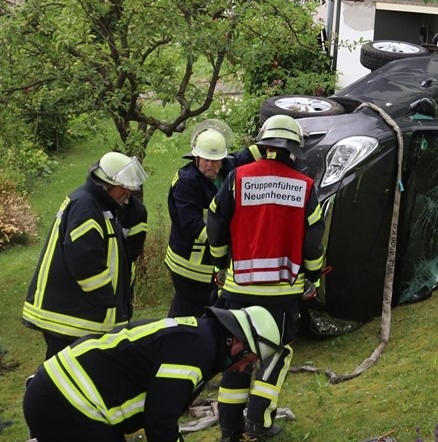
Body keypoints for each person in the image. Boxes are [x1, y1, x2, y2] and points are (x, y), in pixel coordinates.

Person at [207, 114, 326, 442]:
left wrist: (219, 265)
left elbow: (215, 223)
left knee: (237, 352)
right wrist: (313, 276)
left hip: (238, 288)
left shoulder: (237, 179)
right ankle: (258, 422)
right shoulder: (304, 187)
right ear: (293, 150)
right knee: (275, 352)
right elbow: (314, 240)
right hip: (281, 291)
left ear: (264, 145)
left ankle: (229, 430)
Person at [23, 305, 281, 442]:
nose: (244, 368)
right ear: (238, 341)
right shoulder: (196, 351)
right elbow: (159, 422)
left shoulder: (202, 338)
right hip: (64, 402)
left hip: (63, 396)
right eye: (249, 360)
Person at [22, 151, 149, 359]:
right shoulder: (86, 207)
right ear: (105, 183)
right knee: (64, 379)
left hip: (78, 314)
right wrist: (110, 304)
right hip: (70, 319)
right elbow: (85, 262)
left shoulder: (101, 205)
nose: (128, 191)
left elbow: (124, 252)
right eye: (123, 187)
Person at [165, 121, 261, 318]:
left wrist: (280, 136)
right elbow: (193, 226)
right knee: (189, 312)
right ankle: (176, 343)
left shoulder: (226, 167)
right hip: (189, 265)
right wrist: (229, 239)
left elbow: (248, 155)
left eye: (215, 160)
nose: (210, 165)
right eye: (205, 160)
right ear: (196, 157)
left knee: (208, 308)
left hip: (211, 261)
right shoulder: (187, 182)